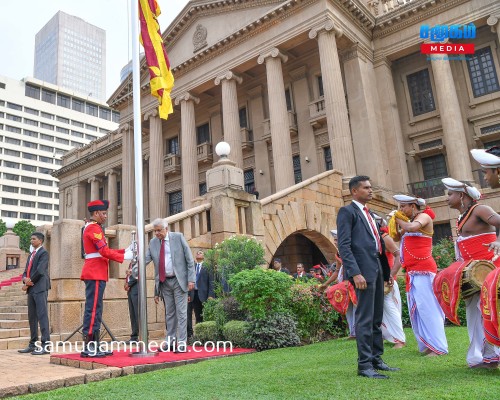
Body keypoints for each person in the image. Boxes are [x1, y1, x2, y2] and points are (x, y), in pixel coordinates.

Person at [337, 176, 398, 379]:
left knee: (376, 318)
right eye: (366, 188)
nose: (370, 190)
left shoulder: (370, 213)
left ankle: (376, 359)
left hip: (377, 271)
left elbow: (378, 245)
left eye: (371, 187)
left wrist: (386, 273)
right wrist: (355, 273)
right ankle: (364, 365)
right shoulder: (347, 212)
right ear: (354, 191)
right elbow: (344, 246)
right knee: (364, 319)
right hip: (362, 273)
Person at [441, 177, 500, 368]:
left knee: (492, 311)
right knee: (475, 315)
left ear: (462, 195)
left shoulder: (480, 209)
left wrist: (499, 241)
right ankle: (487, 357)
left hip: (489, 270)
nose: (447, 198)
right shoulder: (461, 217)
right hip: (473, 274)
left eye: (450, 194)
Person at [391, 195, 448, 357]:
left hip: (424, 270)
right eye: (399, 207)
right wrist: (394, 222)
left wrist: (398, 217)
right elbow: (396, 236)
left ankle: (439, 348)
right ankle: (428, 345)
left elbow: (411, 228)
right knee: (419, 310)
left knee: (428, 308)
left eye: (403, 206)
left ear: (413, 206)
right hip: (412, 272)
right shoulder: (410, 220)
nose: (401, 210)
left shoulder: (424, 216)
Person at [80, 200, 135, 357]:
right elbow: (103, 251)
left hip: (96, 272)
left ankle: (94, 345)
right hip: (95, 272)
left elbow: (105, 250)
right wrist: (124, 257)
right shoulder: (94, 228)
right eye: (103, 213)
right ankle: (89, 347)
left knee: (97, 309)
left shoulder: (93, 227)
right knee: (93, 310)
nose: (105, 216)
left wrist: (124, 251)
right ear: (96, 213)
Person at [146, 218, 195, 353]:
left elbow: (189, 260)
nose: (156, 233)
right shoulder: (153, 242)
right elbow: (146, 259)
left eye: (159, 230)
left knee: (181, 313)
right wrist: (134, 268)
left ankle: (182, 343)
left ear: (166, 229)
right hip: (164, 282)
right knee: (170, 314)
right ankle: (170, 342)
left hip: (180, 281)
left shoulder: (178, 238)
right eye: (154, 231)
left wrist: (191, 279)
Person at [319, 229, 356, 339]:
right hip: (345, 282)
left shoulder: (351, 249)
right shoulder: (338, 253)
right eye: (334, 240)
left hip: (353, 280)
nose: (335, 242)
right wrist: (325, 284)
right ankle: (353, 332)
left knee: (357, 305)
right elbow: (337, 271)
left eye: (336, 240)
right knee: (348, 307)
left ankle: (362, 331)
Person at [18, 232, 51, 355]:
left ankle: (46, 345)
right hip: (31, 289)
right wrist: (24, 279)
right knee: (32, 317)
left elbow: (40, 270)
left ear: (40, 241)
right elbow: (26, 270)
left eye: (34, 239)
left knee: (42, 316)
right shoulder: (31, 254)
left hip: (40, 287)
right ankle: (32, 344)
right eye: (31, 239)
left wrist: (29, 282)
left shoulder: (44, 253)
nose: (31, 241)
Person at [378, 224, 406, 349]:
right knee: (380, 309)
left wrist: (390, 275)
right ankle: (386, 336)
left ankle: (399, 339)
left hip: (386, 280)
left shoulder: (384, 237)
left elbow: (399, 256)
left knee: (389, 306)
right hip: (376, 279)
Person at [187, 250, 214, 340]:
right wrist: (187, 294)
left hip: (204, 295)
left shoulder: (208, 267)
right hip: (192, 294)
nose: (198, 253)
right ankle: (193, 335)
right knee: (192, 315)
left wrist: (211, 295)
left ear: (204, 256)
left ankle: (203, 336)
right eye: (197, 252)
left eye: (201, 252)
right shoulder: (192, 267)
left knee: (202, 316)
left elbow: (211, 282)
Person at [124, 262, 139, 344]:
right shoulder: (132, 262)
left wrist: (129, 284)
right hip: (131, 290)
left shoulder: (139, 260)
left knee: (138, 314)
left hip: (136, 289)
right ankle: (134, 336)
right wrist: (126, 283)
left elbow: (137, 274)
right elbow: (129, 275)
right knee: (132, 314)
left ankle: (142, 335)